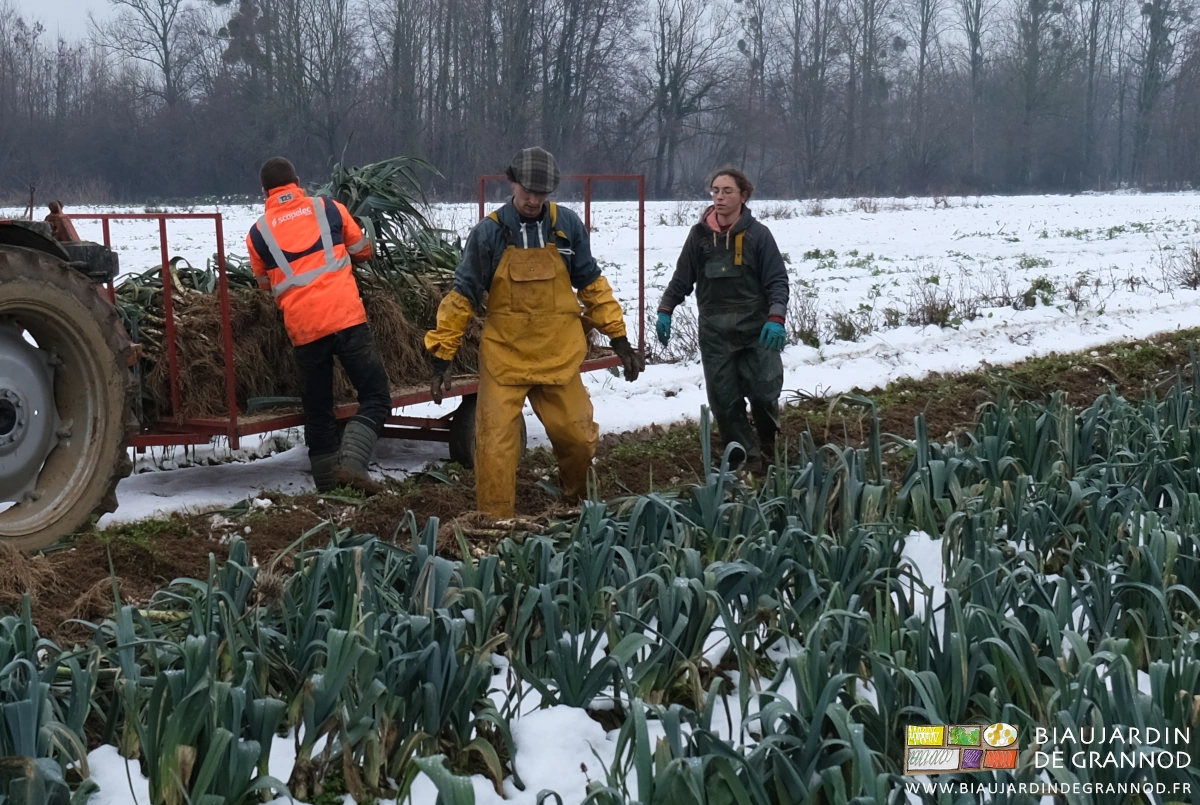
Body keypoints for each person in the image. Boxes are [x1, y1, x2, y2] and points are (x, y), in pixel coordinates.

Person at [424, 146, 643, 518]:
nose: (533, 199)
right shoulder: (489, 233)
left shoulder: (567, 226)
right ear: (512, 183)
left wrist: (619, 338)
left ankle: (575, 506)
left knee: (577, 438)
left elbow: (591, 285)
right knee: (494, 447)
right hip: (505, 360)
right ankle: (494, 524)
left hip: (557, 357)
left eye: (541, 193)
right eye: (527, 190)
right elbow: (462, 296)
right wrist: (441, 356)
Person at [246, 157, 392, 494]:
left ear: (264, 191)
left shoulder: (258, 233)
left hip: (304, 331)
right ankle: (353, 469)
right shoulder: (329, 208)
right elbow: (363, 250)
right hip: (346, 319)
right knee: (376, 396)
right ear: (297, 181)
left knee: (319, 411)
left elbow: (264, 285)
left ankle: (329, 489)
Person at [656, 167, 789, 472]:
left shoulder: (759, 236)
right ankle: (748, 458)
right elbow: (682, 279)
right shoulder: (700, 237)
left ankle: (768, 443)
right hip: (716, 333)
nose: (719, 197)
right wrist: (666, 310)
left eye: (727, 191)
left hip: (758, 329)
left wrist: (776, 317)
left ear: (743, 196)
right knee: (724, 401)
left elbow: (777, 281)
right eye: (715, 190)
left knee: (764, 391)